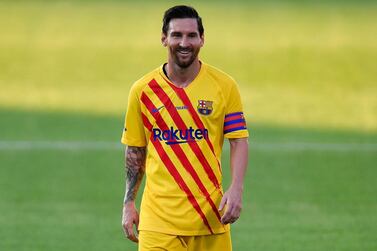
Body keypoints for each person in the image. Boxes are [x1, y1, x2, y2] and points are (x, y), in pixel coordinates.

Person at [121, 5, 249, 251]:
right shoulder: (143, 91)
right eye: (177, 35)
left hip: (211, 218)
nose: (184, 42)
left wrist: (236, 189)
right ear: (163, 39)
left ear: (202, 39)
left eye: (191, 35)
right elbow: (135, 150)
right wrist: (128, 203)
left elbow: (239, 139)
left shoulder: (224, 86)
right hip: (158, 221)